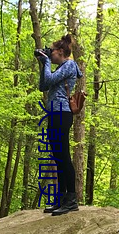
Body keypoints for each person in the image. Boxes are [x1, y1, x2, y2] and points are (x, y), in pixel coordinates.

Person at [37, 34, 83, 216]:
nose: (50, 54)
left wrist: (46, 62)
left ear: (61, 52)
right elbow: (43, 85)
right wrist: (44, 63)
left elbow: (48, 81)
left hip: (62, 113)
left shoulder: (70, 65)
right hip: (54, 113)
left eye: (52, 51)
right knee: (57, 157)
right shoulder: (60, 69)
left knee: (63, 156)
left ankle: (71, 200)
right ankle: (62, 199)